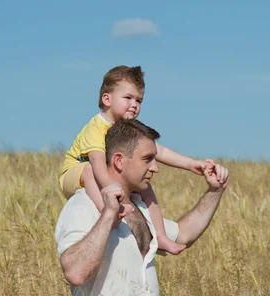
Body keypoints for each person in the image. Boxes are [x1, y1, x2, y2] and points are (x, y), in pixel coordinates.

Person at [55, 119, 229, 296]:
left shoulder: (141, 208)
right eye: (147, 159)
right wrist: (108, 215)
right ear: (118, 160)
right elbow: (75, 271)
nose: (156, 167)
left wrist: (215, 192)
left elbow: (183, 235)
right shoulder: (82, 205)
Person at [59, 65, 215, 255]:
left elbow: (159, 150)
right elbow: (98, 161)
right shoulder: (96, 127)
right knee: (90, 169)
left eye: (139, 100)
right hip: (74, 173)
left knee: (145, 185)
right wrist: (113, 190)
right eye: (128, 98)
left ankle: (160, 236)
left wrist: (191, 164)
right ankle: (108, 211)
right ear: (106, 99)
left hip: (100, 173)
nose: (135, 104)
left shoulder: (129, 131)